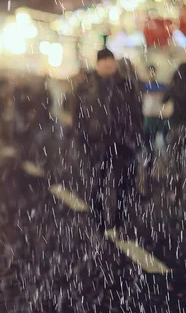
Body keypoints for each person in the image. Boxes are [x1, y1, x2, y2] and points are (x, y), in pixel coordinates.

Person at [73, 49, 143, 234]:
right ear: (97, 64)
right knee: (97, 183)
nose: (107, 63)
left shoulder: (125, 85)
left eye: (110, 59)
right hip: (96, 142)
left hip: (122, 142)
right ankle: (99, 221)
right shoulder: (86, 86)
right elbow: (78, 116)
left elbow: (136, 112)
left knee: (122, 184)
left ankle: (119, 220)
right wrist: (83, 137)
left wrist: (134, 134)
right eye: (103, 60)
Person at [162, 63, 186, 203]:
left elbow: (163, 100)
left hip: (176, 127)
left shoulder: (174, 87)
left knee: (175, 161)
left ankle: (175, 191)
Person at [140, 65, 170, 194]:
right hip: (152, 119)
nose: (151, 74)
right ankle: (153, 171)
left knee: (160, 147)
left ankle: (160, 171)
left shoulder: (150, 87)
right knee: (151, 148)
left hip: (157, 118)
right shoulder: (146, 87)